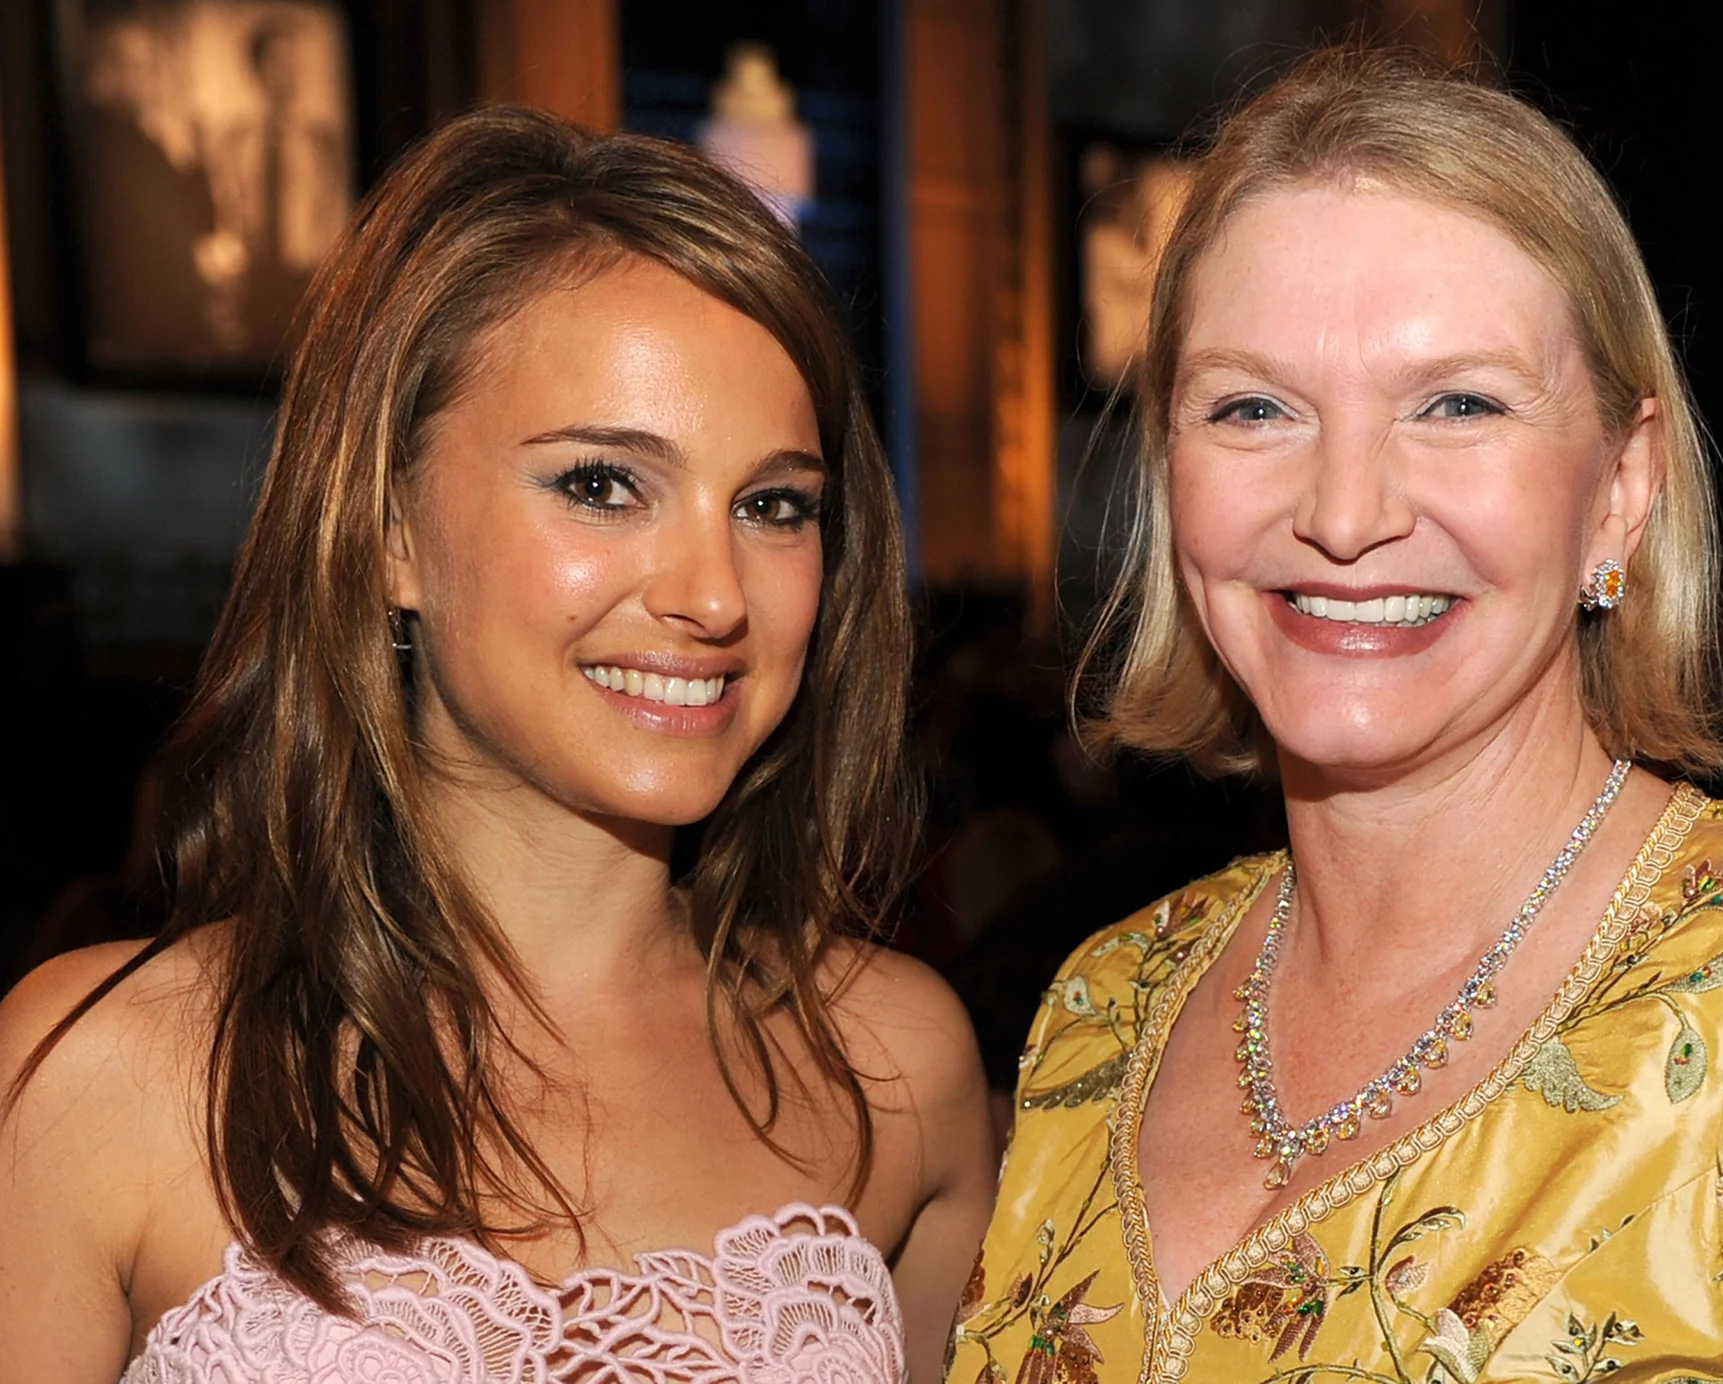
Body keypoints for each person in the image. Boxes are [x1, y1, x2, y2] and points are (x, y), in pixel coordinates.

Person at [948, 48, 1723, 1384]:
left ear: (1621, 487)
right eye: (1253, 407)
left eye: (1459, 403)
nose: (1347, 512)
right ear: (1172, 475)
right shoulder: (1103, 1005)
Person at [0, 107, 994, 1382]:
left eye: (772, 504)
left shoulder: (899, 1071)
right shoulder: (97, 1078)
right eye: (600, 484)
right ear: (387, 531)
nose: (714, 594)